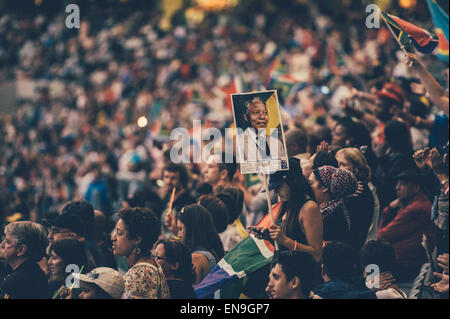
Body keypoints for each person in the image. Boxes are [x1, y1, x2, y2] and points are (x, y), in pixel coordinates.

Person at [249, 158, 323, 263]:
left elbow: (317, 254)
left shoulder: (309, 208)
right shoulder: (286, 204)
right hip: (282, 271)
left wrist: (285, 240)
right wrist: (269, 236)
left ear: (294, 181)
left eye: (279, 186)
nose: (276, 192)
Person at [377, 169, 437, 283]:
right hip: (410, 263)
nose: (397, 188)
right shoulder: (419, 202)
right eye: (397, 184)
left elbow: (382, 236)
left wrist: (388, 209)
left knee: (371, 259)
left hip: (407, 266)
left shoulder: (416, 208)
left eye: (403, 184)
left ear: (416, 187)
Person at [111, 207, 170, 299]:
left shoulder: (140, 274)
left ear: (137, 239)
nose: (113, 238)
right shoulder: (148, 266)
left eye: (119, 233)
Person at [335, 148, 377, 250]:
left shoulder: (359, 190)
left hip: (350, 249)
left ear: (356, 168)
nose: (338, 169)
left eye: (343, 164)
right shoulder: (346, 188)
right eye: (337, 164)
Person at [176, 204, 225, 285]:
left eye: (181, 229)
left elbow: (191, 293)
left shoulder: (196, 257)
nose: (178, 235)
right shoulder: (210, 249)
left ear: (192, 229)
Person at [309, 165, 358, 245]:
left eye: (310, 183)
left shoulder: (334, 218)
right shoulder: (330, 209)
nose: (308, 187)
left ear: (324, 188)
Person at [0, 221, 49, 299]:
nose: (2, 245)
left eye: (8, 242)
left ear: (21, 250)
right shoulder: (36, 272)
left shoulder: (15, 282)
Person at [236, 97, 285, 162]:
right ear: (246, 117)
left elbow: (284, 166)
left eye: (265, 113)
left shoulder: (277, 143)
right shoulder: (239, 143)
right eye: (256, 113)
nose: (262, 117)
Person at [159, 163, 195, 239]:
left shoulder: (189, 202)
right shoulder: (166, 198)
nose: (168, 181)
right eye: (166, 177)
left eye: (173, 178)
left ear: (182, 180)